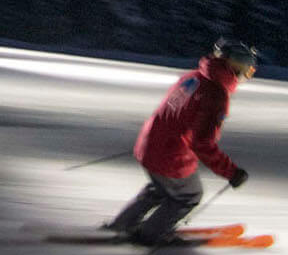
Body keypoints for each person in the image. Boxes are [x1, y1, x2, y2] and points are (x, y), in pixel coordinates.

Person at [103, 38, 258, 244]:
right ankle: (151, 234)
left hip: (150, 142)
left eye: (248, 71)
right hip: (170, 153)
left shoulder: (194, 77)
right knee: (189, 194)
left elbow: (175, 112)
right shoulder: (216, 94)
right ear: (230, 65)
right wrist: (231, 172)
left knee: (161, 188)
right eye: (244, 68)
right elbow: (203, 143)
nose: (244, 75)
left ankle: (123, 224)